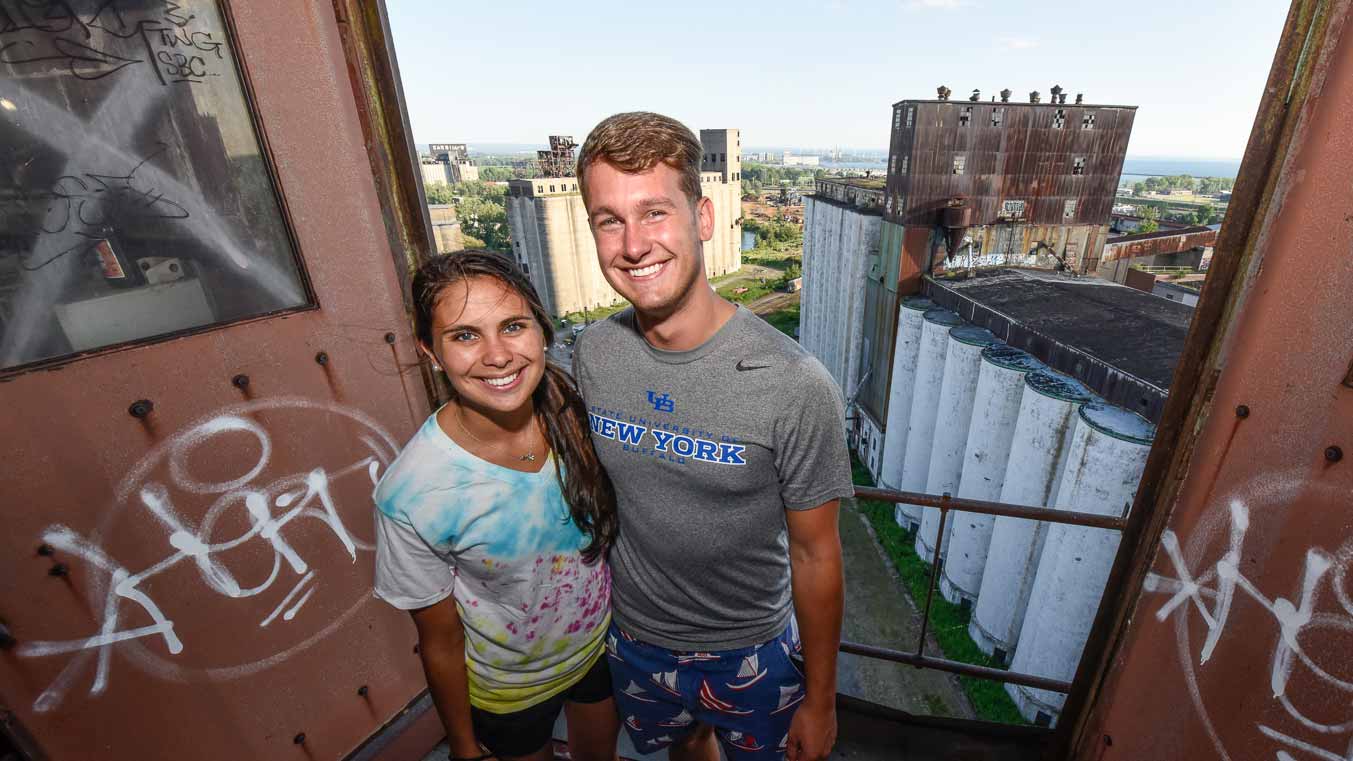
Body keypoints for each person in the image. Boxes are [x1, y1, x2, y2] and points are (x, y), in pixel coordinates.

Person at [572, 112, 853, 761]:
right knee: (685, 748)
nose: (633, 244)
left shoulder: (793, 382)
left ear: (701, 217)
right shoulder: (594, 353)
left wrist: (821, 698)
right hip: (634, 640)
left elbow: (816, 556)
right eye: (608, 220)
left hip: (751, 651)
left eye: (654, 212)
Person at [372, 251, 620, 761]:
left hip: (601, 650)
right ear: (431, 352)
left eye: (512, 326)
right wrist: (463, 744)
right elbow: (438, 641)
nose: (498, 355)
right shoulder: (414, 493)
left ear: (541, 329)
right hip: (510, 692)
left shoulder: (574, 411)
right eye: (465, 335)